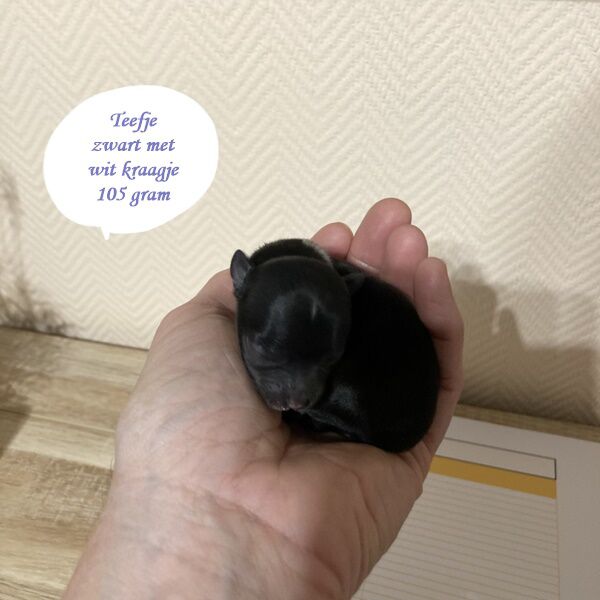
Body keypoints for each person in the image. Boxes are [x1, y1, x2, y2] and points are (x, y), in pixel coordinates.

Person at [63, 198, 464, 599]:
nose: (297, 396)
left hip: (394, 414)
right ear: (239, 284)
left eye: (325, 361)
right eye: (271, 356)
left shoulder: (329, 299)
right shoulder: (303, 289)